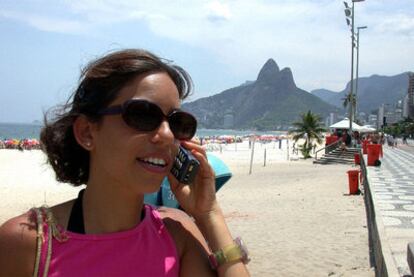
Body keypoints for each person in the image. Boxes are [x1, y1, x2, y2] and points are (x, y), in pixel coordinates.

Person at [0, 49, 250, 276]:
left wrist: (209, 214)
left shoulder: (177, 235)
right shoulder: (29, 243)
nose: (167, 135)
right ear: (87, 132)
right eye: (143, 115)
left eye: (177, 123)